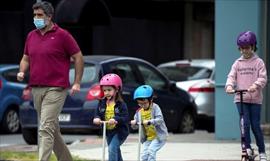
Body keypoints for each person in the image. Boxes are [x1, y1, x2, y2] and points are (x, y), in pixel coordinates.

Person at [17, 1, 84, 161]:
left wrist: (77, 82)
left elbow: (78, 56)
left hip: (56, 88)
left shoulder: (62, 35)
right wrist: (22, 71)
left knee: (45, 127)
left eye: (40, 15)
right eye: (34, 15)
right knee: (51, 129)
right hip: (36, 88)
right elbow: (25, 58)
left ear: (49, 16)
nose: (36, 18)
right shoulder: (31, 36)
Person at [225, 31, 268, 161]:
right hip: (240, 98)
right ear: (239, 48)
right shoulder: (237, 63)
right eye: (242, 48)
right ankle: (247, 148)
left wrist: (255, 85)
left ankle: (262, 152)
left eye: (247, 48)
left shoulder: (259, 62)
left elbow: (263, 78)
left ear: (253, 46)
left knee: (255, 125)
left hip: (255, 99)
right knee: (245, 124)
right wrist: (229, 86)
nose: (245, 51)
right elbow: (231, 76)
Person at [93, 73, 129, 161]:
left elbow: (125, 117)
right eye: (105, 90)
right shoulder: (102, 103)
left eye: (109, 90)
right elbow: (97, 113)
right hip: (108, 131)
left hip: (119, 132)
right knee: (115, 150)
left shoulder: (121, 104)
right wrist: (97, 118)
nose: (107, 93)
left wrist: (115, 119)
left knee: (112, 149)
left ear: (117, 89)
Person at [130, 85, 168, 161]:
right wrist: (134, 124)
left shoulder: (155, 107)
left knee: (151, 151)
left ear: (151, 100)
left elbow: (160, 119)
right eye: (140, 104)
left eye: (145, 103)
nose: (142, 106)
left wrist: (150, 122)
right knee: (144, 155)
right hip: (148, 138)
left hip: (158, 137)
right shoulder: (139, 112)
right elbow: (137, 126)